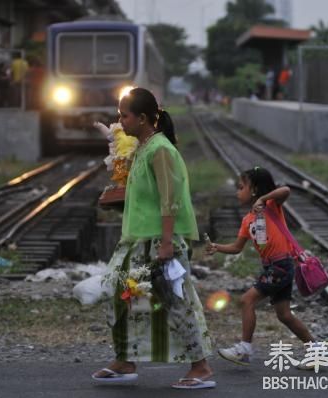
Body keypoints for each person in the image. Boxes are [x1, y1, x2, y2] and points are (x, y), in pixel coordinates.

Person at [92, 87, 215, 389]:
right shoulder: (144, 147)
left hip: (159, 242)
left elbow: (169, 198)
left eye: (124, 116)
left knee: (175, 301)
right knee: (121, 297)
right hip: (137, 241)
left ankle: (201, 368)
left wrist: (168, 243)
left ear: (143, 118)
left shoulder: (160, 149)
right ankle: (125, 360)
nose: (119, 122)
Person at [205, 167, 314, 368]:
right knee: (284, 315)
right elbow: (237, 247)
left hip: (281, 265)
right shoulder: (247, 220)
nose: (238, 192)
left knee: (246, 300)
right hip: (272, 267)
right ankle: (316, 351)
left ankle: (245, 349)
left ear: (254, 189)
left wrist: (263, 199)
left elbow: (286, 190)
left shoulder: (272, 206)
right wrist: (216, 247)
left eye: (241, 187)